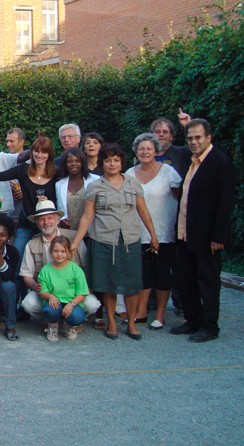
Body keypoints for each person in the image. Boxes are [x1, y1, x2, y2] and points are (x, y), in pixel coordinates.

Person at [72, 142, 159, 341]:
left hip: (130, 239)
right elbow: (87, 217)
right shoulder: (95, 187)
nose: (112, 164)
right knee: (108, 284)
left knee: (132, 283)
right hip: (103, 239)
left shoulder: (133, 183)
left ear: (122, 162)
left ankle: (130, 322)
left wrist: (153, 235)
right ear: (102, 163)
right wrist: (76, 241)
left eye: (116, 160)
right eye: (108, 160)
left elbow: (143, 211)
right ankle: (111, 322)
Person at [172, 118, 236, 343]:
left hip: (208, 237)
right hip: (185, 234)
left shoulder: (220, 163)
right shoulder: (193, 162)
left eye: (198, 137)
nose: (193, 141)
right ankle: (192, 321)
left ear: (209, 137)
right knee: (185, 279)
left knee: (207, 281)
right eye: (189, 138)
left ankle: (210, 326)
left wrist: (218, 236)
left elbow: (225, 203)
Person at [125, 133, 181, 329]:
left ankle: (160, 314)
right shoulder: (129, 174)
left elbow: (180, 198)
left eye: (149, 148)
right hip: (138, 232)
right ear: (136, 151)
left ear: (156, 151)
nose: (145, 152)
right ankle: (141, 311)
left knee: (163, 273)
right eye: (141, 148)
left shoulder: (168, 172)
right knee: (143, 273)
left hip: (164, 231)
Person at [19, 200, 99, 323]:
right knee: (28, 304)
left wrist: (87, 287)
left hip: (72, 291)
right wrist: (37, 287)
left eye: (50, 218)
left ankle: (73, 321)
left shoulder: (74, 238)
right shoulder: (31, 244)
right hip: (47, 293)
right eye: (41, 219)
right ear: (37, 223)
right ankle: (51, 321)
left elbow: (87, 266)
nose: (46, 222)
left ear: (57, 219)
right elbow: (26, 275)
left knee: (93, 304)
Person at [0, 136, 58, 256]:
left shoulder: (56, 173)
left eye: (44, 152)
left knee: (47, 258)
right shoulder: (23, 170)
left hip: (47, 225)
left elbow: (60, 199)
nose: (39, 155)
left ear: (49, 154)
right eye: (36, 151)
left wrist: (48, 201)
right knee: (17, 255)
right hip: (26, 224)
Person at [39, 236, 89, 342]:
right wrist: (50, 296)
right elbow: (42, 291)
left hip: (72, 301)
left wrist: (72, 304)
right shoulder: (46, 270)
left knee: (77, 316)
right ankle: (52, 326)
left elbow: (82, 293)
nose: (59, 254)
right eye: (56, 251)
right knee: (50, 310)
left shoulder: (76, 270)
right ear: (51, 252)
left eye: (63, 251)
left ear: (68, 252)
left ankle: (68, 325)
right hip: (54, 301)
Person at [55, 147, 100, 230]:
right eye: (69, 161)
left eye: (77, 161)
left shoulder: (95, 180)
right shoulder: (59, 185)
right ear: (65, 164)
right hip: (68, 233)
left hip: (91, 232)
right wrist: (61, 221)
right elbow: (59, 209)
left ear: (83, 162)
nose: (73, 164)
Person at [152, 110, 192, 178]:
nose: (161, 134)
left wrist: (188, 126)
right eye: (157, 132)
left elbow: (201, 150)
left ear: (171, 136)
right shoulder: (145, 157)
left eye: (165, 132)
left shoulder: (183, 153)